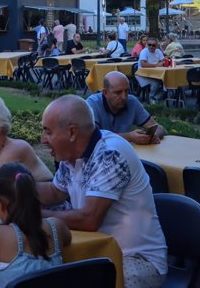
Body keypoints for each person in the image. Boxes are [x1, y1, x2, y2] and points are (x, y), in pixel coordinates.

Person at [37, 96, 167, 288]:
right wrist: (14, 187)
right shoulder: (72, 154)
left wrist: (32, 215)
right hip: (97, 252)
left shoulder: (110, 154)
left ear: (72, 132)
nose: (43, 140)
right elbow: (54, 192)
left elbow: (89, 220)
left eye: (48, 132)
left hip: (136, 260)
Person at [87, 71, 165, 144]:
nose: (124, 97)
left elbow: (159, 128)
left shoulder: (132, 101)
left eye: (127, 91)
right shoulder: (92, 104)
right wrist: (129, 137)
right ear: (105, 93)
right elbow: (91, 137)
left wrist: (153, 135)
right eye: (118, 92)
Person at [135, 37, 166, 103]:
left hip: (156, 74)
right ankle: (152, 98)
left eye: (153, 45)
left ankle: (154, 98)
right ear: (147, 44)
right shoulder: (144, 51)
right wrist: (156, 65)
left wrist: (161, 62)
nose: (151, 46)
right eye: (149, 45)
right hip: (143, 75)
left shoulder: (158, 51)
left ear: (157, 45)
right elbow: (143, 64)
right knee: (156, 83)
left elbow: (163, 61)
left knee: (168, 82)